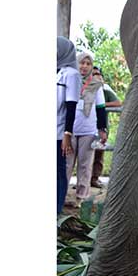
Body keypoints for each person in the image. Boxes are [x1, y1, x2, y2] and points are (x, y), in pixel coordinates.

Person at [66, 51, 108, 207]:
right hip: (69, 130)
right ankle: (61, 195)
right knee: (67, 165)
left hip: (88, 131)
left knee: (85, 165)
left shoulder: (96, 85)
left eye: (88, 63)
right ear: (76, 64)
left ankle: (81, 197)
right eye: (82, 63)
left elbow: (101, 108)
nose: (84, 66)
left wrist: (102, 130)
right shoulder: (69, 81)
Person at [56, 36, 81, 214]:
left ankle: (57, 208)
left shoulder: (71, 74)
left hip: (58, 131)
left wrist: (67, 134)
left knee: (58, 171)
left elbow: (71, 106)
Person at [90, 68, 122, 188]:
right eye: (93, 74)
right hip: (85, 127)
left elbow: (118, 103)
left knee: (99, 153)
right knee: (85, 155)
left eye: (98, 74)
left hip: (101, 127)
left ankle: (95, 178)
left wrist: (101, 104)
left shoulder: (105, 89)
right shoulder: (83, 87)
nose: (96, 76)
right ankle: (83, 180)